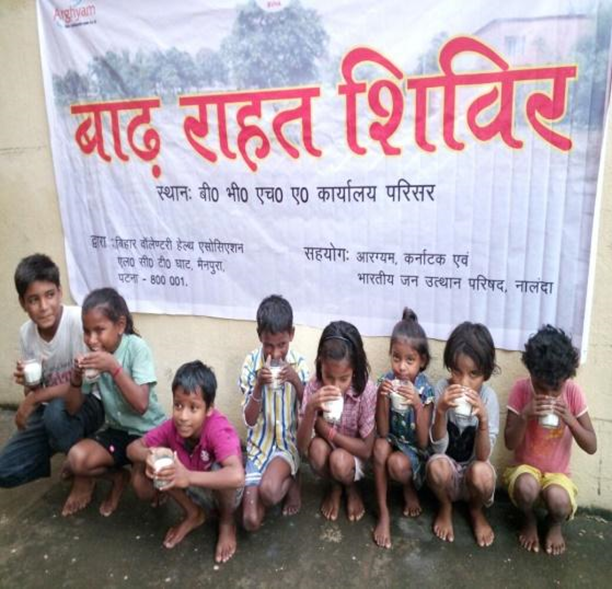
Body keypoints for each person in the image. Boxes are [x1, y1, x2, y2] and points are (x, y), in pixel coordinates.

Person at [0, 254, 104, 488]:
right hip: (52, 408)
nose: (44, 307)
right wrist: (29, 384)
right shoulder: (26, 333)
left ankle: (84, 475)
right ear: (22, 303)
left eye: (49, 295)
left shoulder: (78, 321)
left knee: (55, 414)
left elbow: (83, 385)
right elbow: (36, 388)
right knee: (5, 471)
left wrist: (36, 397)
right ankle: (67, 446)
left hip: (89, 401)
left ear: (59, 292)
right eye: (34, 299)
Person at [61, 287, 165, 517]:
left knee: (144, 489)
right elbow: (73, 407)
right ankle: (118, 478)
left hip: (147, 432)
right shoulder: (93, 357)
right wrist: (76, 378)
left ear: (119, 325)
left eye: (99, 330)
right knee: (77, 459)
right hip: (118, 432)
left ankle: (150, 479)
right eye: (87, 332)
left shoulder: (136, 348)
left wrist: (113, 367)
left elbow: (141, 405)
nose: (92, 339)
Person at [127, 361, 245, 563]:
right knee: (154, 466)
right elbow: (132, 448)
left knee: (221, 469)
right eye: (178, 405)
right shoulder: (171, 426)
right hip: (192, 489)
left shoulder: (218, 428)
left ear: (209, 409)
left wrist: (187, 476)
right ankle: (193, 513)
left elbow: (236, 476)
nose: (183, 416)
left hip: (224, 496)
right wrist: (150, 456)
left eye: (193, 407)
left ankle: (226, 523)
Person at [503, 325, 597, 556]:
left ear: (567, 378)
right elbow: (509, 443)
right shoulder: (521, 390)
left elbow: (592, 445)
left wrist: (571, 420)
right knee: (526, 487)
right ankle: (529, 520)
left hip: (558, 475)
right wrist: (525, 414)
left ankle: (554, 525)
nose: (549, 396)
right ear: (532, 375)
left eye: (556, 389)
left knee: (560, 502)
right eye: (541, 388)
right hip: (525, 470)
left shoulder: (573, 393)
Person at [239, 295, 309, 531]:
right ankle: (270, 480)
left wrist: (296, 382)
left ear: (292, 334)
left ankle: (291, 480)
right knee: (250, 521)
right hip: (259, 446)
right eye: (269, 345)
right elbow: (249, 420)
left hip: (286, 445)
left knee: (269, 493)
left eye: (282, 344)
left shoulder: (299, 364)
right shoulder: (251, 364)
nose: (276, 353)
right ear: (260, 336)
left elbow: (308, 410)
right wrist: (258, 385)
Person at [426, 321, 499, 547]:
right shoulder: (442, 388)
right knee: (435, 466)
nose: (464, 382)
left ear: (485, 375)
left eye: (473, 374)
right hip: (447, 472)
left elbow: (483, 457)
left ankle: (475, 511)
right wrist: (440, 410)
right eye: (457, 371)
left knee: (483, 474)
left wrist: (483, 421)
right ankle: (445, 506)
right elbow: (437, 448)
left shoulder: (488, 398)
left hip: (472, 477)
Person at [297, 320, 376, 522]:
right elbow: (301, 446)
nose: (336, 385)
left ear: (355, 370)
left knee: (339, 461)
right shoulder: (315, 386)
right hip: (327, 450)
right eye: (329, 376)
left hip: (352, 457)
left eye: (344, 378)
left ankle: (350, 488)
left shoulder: (365, 390)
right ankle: (334, 487)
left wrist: (329, 432)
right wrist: (310, 410)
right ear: (320, 364)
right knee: (316, 450)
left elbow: (366, 450)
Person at [372, 308, 434, 549]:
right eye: (396, 358)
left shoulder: (425, 391)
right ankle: (384, 513)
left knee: (397, 464)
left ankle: (408, 486)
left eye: (410, 360)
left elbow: (422, 443)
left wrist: (417, 405)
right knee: (379, 447)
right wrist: (383, 397)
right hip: (392, 440)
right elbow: (384, 431)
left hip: (412, 451)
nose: (401, 367)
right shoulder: (386, 381)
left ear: (422, 361)